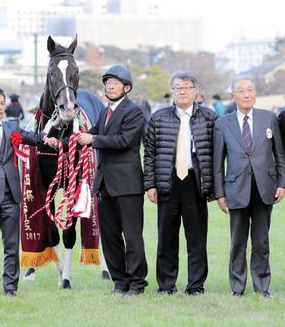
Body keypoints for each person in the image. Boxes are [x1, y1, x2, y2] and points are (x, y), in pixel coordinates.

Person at [0, 85, 56, 297]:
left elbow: (31, 136)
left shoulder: (12, 128)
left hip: (11, 196)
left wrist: (45, 138)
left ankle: (10, 286)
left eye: (2, 103)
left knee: (12, 244)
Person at [144, 71, 216, 296]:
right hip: (168, 182)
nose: (182, 91)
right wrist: (150, 185)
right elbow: (149, 154)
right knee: (166, 237)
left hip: (195, 183)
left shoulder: (209, 118)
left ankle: (195, 285)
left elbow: (216, 154)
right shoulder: (158, 117)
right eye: (177, 88)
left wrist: (213, 186)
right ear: (172, 91)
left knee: (196, 238)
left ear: (196, 91)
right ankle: (166, 285)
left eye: (186, 87)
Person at [78, 65, 148, 296]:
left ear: (126, 88)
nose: (110, 86)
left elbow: (124, 141)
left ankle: (137, 283)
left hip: (127, 185)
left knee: (132, 236)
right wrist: (75, 133)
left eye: (115, 83)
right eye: (107, 82)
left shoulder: (134, 112)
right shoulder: (104, 112)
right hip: (105, 184)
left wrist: (93, 138)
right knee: (109, 236)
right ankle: (120, 281)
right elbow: (91, 135)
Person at [213, 78, 285, 299]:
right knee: (238, 242)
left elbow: (279, 154)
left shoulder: (269, 118)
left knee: (261, 241)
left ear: (255, 94)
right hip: (236, 189)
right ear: (232, 96)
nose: (246, 94)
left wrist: (282, 183)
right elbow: (217, 162)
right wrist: (220, 194)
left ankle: (262, 286)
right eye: (241, 91)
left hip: (265, 187)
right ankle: (237, 287)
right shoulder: (222, 123)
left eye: (250, 90)